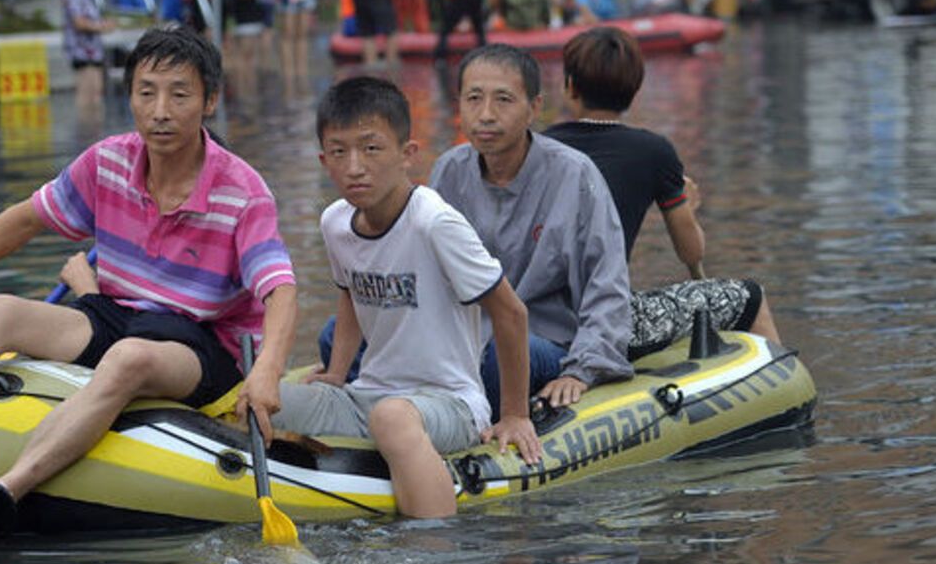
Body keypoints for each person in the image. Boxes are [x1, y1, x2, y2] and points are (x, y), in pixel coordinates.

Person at [0, 25, 299, 544]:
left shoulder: (244, 192)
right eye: (146, 92)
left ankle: (9, 488)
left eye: (179, 94)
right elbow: (23, 220)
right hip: (116, 311)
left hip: (201, 343)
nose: (160, 110)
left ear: (210, 101)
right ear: (129, 96)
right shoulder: (107, 161)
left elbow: (280, 290)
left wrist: (268, 372)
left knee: (129, 356)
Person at [272, 77, 539, 518]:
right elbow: (350, 296)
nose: (355, 166)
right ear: (324, 161)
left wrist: (514, 414)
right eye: (339, 152)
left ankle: (431, 553)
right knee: (264, 399)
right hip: (369, 396)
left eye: (371, 148)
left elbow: (511, 313)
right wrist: (336, 374)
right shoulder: (335, 222)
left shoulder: (434, 222)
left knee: (393, 418)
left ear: (407, 154)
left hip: (450, 403)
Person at [542, 26, 781, 356]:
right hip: (609, 321)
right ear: (634, 90)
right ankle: (785, 388)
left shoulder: (537, 149)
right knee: (751, 297)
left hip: (540, 317)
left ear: (570, 88)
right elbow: (690, 254)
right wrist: (690, 212)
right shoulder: (653, 151)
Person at [431, 44, 633, 410]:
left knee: (498, 356)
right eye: (473, 98)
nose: (486, 115)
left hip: (540, 343)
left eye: (504, 100)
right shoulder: (448, 171)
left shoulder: (574, 174)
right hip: (460, 342)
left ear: (535, 108)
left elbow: (607, 285)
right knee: (335, 336)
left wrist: (581, 370)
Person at [61, 0, 114, 110]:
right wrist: (101, 27)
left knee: (96, 92)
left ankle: (93, 129)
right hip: (82, 51)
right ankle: (86, 130)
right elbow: (79, 23)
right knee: (87, 94)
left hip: (90, 51)